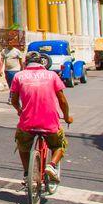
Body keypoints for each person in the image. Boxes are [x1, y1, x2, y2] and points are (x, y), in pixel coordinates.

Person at [10, 51, 74, 184]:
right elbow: (62, 100)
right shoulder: (52, 75)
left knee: (22, 145)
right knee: (59, 144)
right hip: (49, 122)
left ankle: (27, 173)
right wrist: (67, 117)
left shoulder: (19, 76)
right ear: (41, 62)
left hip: (27, 123)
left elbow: (14, 100)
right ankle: (51, 165)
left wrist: (20, 111)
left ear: (26, 62)